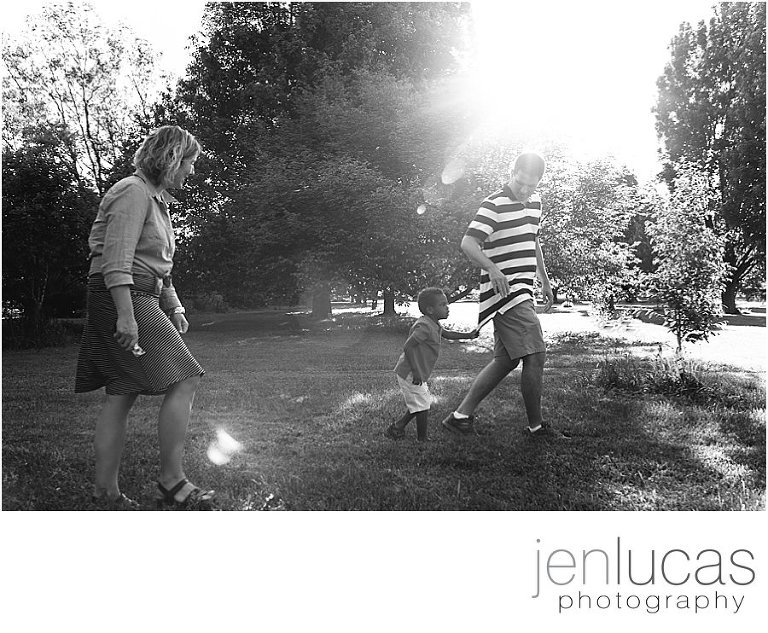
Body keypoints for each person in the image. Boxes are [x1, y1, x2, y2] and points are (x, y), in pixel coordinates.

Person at [75, 125, 214, 509]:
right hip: (121, 294)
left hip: (139, 292)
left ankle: (106, 491)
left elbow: (158, 266)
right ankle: (172, 481)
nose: (190, 171)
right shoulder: (132, 192)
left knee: (121, 392)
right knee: (185, 377)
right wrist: (126, 316)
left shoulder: (157, 200)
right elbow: (116, 261)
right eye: (188, 163)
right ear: (171, 159)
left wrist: (175, 305)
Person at [441, 152, 566, 438]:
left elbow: (533, 240)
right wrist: (493, 270)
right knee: (535, 354)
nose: (523, 190)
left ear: (538, 183)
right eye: (519, 182)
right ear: (512, 172)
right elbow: (469, 243)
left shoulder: (535, 203)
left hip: (524, 289)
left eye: (530, 186)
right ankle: (536, 428)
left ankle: (460, 416)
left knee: (507, 360)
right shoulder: (493, 203)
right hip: (506, 293)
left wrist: (544, 280)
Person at [386, 288, 478, 442]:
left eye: (446, 304)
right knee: (423, 404)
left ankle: (397, 428)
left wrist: (468, 335)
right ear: (430, 309)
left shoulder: (433, 324)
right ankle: (422, 439)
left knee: (420, 403)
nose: (447, 307)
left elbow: (446, 333)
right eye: (443, 304)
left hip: (415, 371)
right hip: (410, 372)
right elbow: (408, 346)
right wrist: (415, 372)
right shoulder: (424, 326)